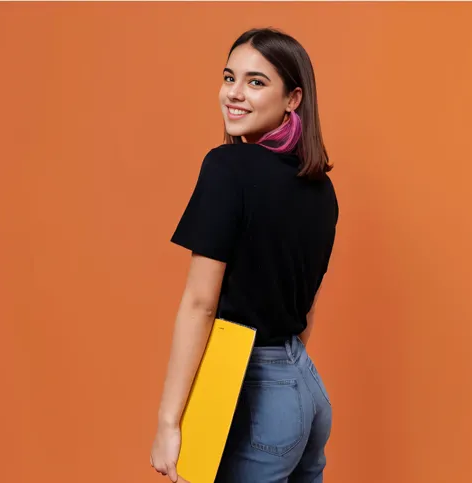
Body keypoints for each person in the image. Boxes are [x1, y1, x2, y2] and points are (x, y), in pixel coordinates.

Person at [150, 27, 338, 483]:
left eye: (256, 82)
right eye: (229, 77)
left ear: (294, 98)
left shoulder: (227, 167)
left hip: (255, 392)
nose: (234, 94)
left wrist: (168, 422)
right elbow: (307, 304)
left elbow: (201, 303)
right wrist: (284, 380)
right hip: (304, 389)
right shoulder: (321, 189)